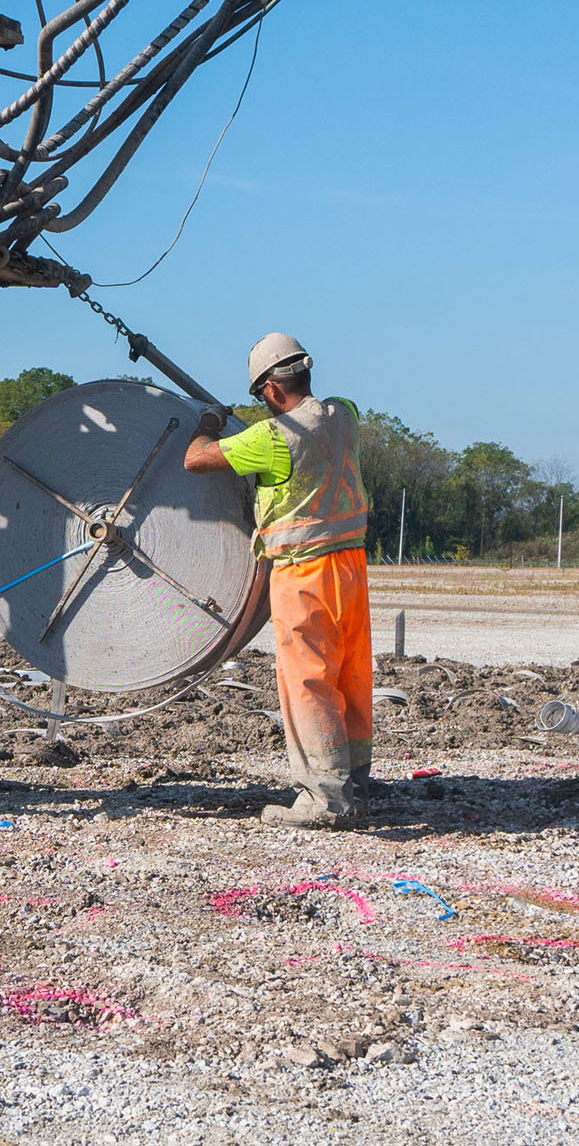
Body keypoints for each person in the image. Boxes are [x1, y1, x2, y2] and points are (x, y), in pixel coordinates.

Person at [183, 333, 372, 828]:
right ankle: (354, 784)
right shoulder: (345, 414)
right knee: (349, 675)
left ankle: (324, 801)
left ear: (269, 388)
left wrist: (206, 422)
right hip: (351, 569)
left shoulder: (272, 438)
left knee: (307, 680)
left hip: (302, 574)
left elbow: (196, 460)